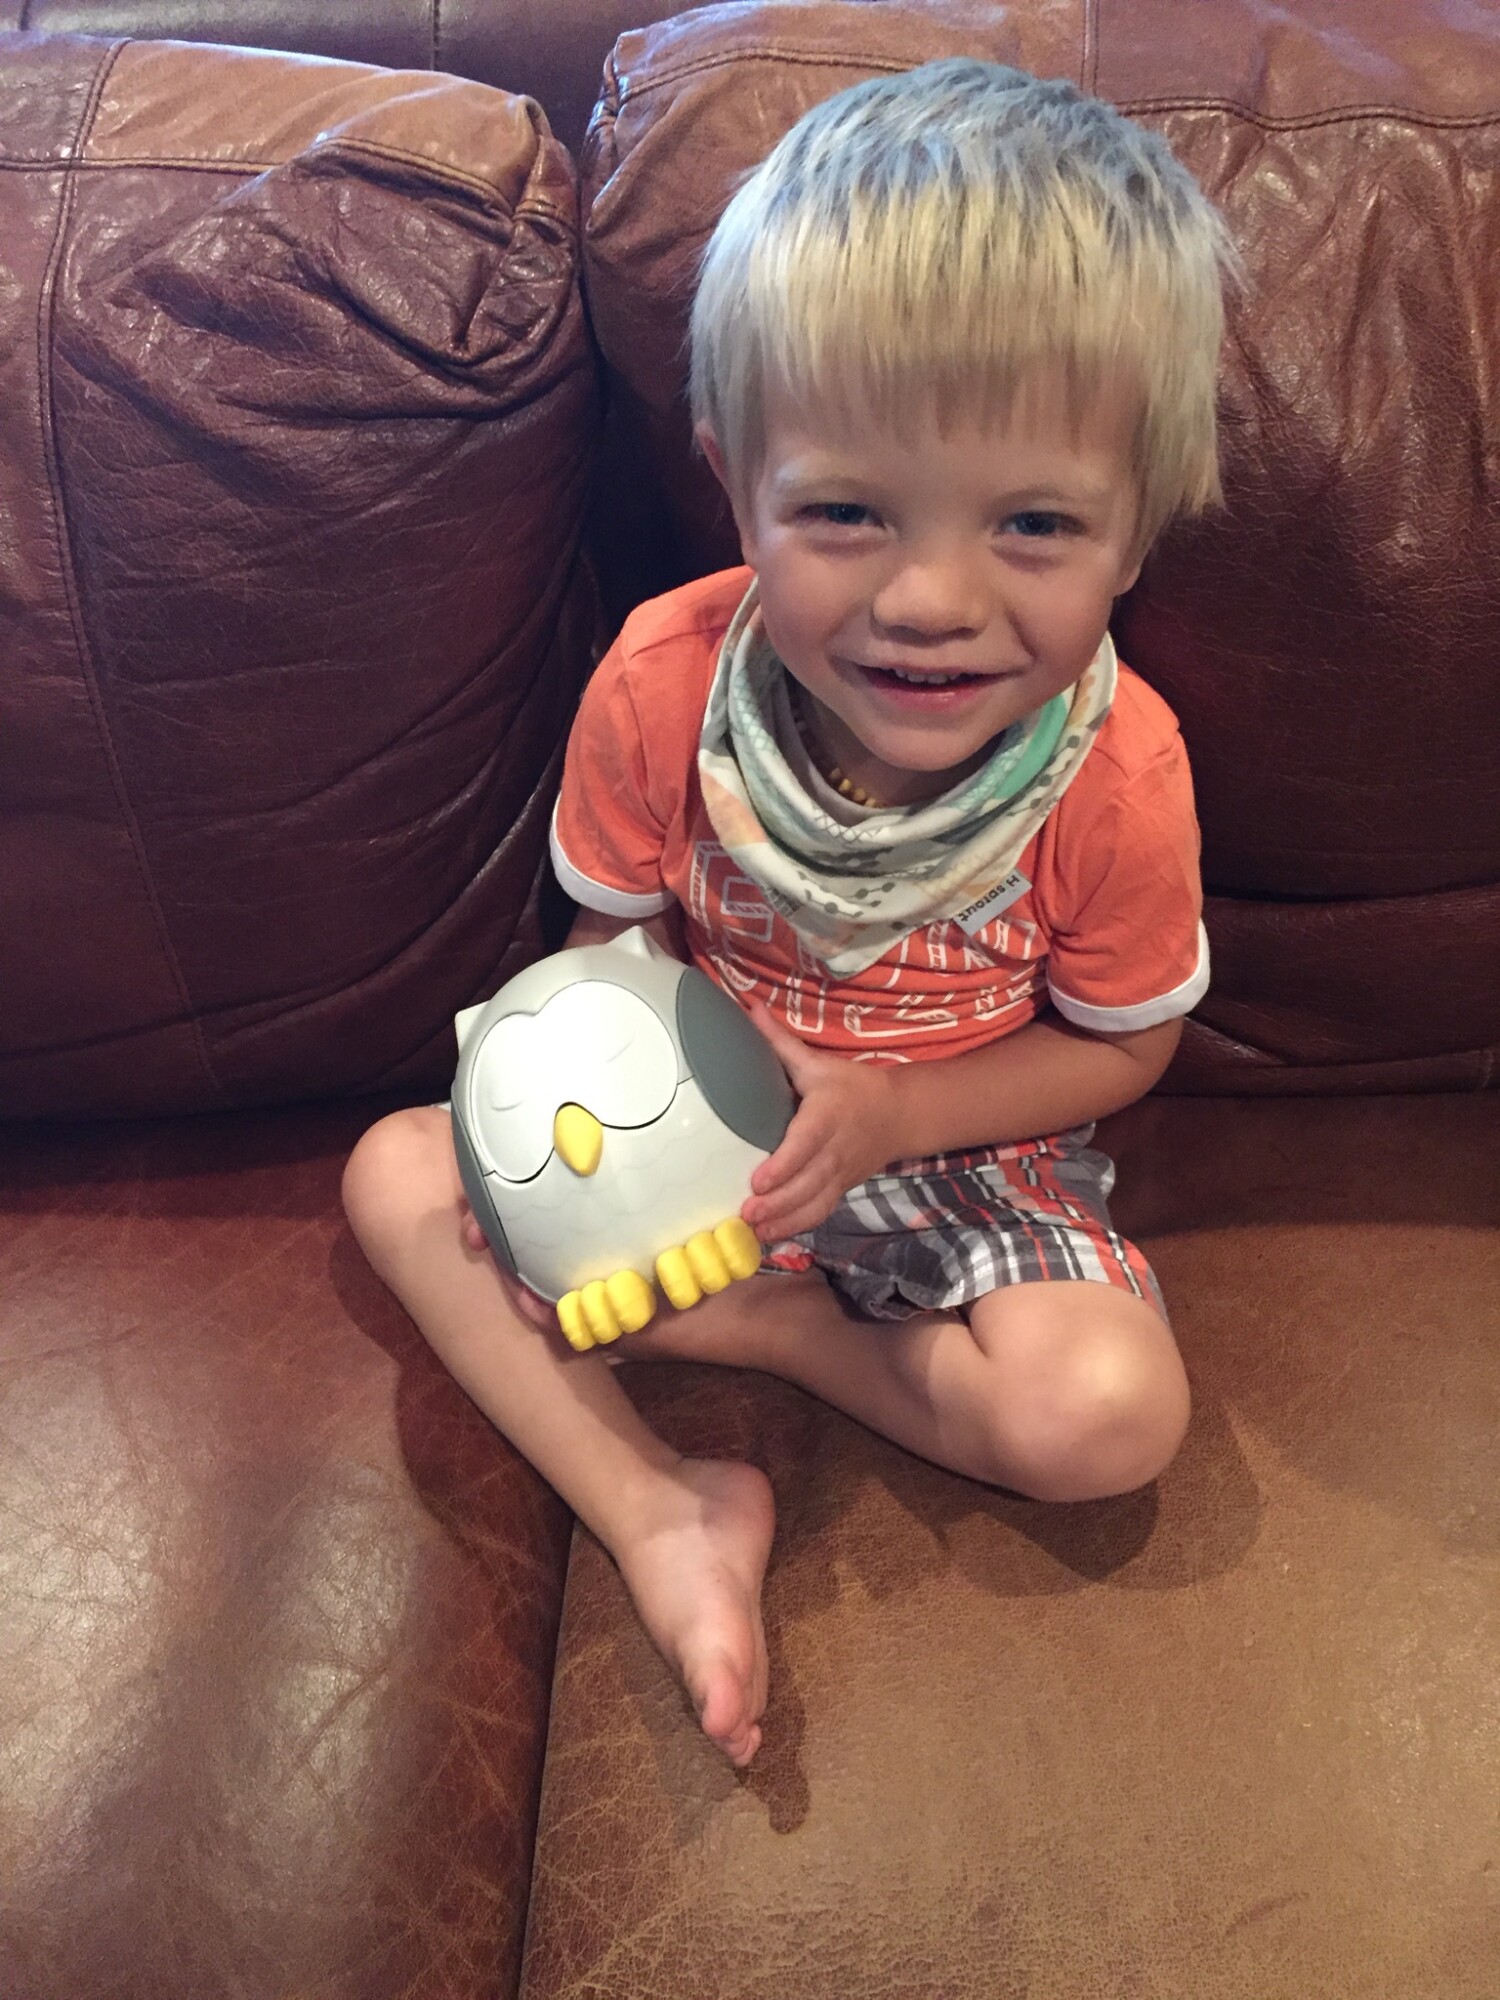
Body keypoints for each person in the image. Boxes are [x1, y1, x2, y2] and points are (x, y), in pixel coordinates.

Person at [342, 58, 1239, 1769]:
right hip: (709, 1128)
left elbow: (1127, 1046)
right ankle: (664, 1509)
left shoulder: (1118, 772)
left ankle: (772, 1335)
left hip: (965, 1142)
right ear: (731, 478)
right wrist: (601, 1133)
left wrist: (894, 1114)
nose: (928, 601)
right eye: (845, 513)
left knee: (1107, 1414)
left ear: (1135, 536)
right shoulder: (667, 685)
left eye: (1035, 523)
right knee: (395, 1175)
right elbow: (604, 954)